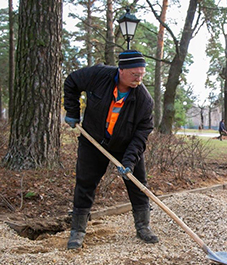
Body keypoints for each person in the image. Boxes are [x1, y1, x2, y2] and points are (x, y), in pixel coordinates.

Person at [63, 50, 159, 249]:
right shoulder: (99, 75)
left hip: (126, 144)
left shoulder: (144, 100)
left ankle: (143, 226)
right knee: (85, 182)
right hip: (93, 140)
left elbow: (142, 133)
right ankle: (78, 231)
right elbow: (71, 81)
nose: (138, 79)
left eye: (142, 74)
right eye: (134, 74)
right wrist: (72, 111)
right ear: (121, 70)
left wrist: (130, 160)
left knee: (138, 183)